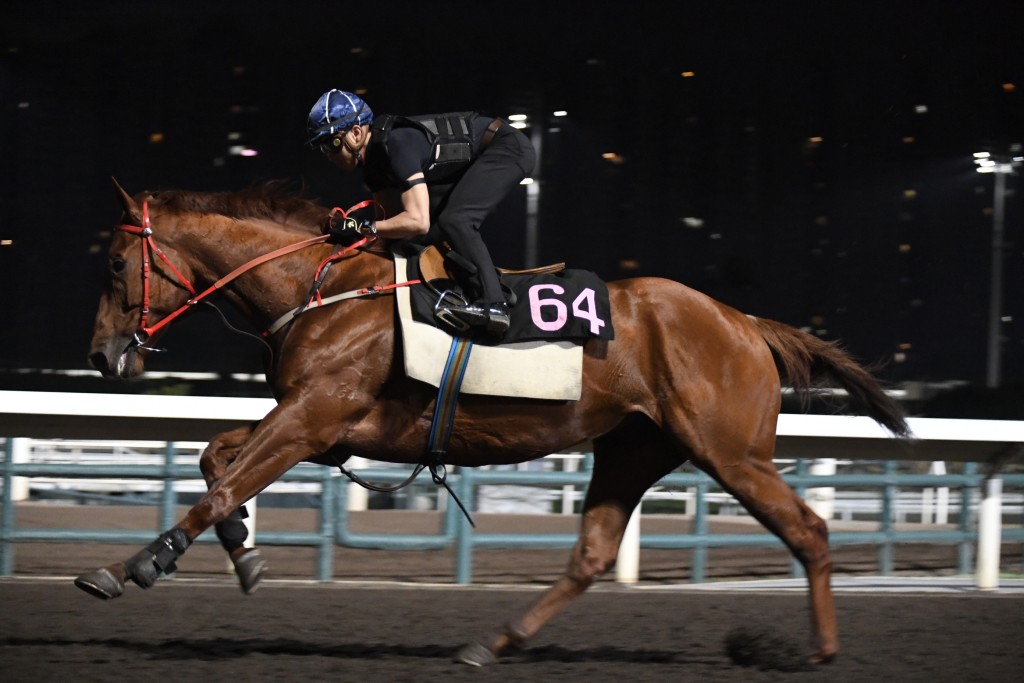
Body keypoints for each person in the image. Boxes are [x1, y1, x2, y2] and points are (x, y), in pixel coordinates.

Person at [305, 89, 536, 338]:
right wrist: (345, 236)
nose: (329, 156)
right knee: (436, 230)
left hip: (508, 147)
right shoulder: (373, 167)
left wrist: (360, 226)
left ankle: (495, 305)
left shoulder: (396, 144)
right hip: (476, 158)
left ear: (357, 132)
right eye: (322, 148)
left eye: (332, 143)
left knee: (456, 220)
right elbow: (391, 229)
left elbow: (417, 221)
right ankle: (483, 285)